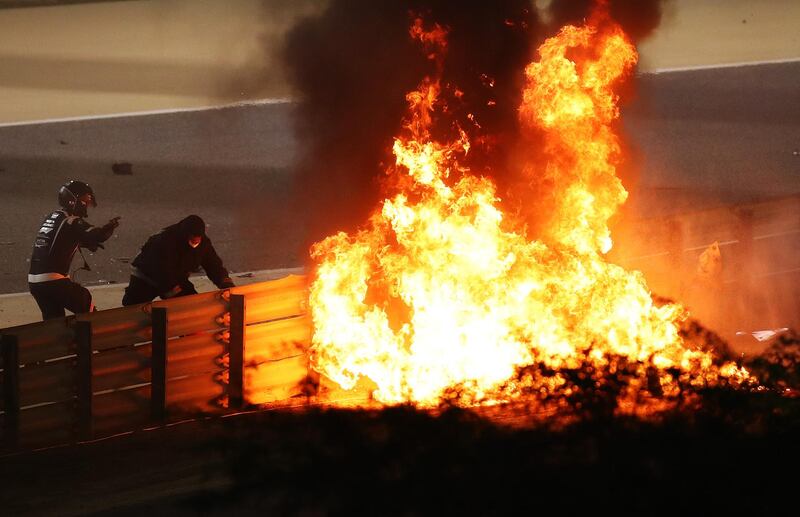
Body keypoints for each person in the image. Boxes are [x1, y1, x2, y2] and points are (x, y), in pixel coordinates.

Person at [28, 180, 121, 320]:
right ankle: (94, 338)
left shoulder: (52, 217)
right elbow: (98, 235)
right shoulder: (71, 220)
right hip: (54, 280)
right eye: (85, 200)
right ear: (73, 200)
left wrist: (83, 242)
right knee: (84, 301)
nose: (86, 204)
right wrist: (109, 228)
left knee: (54, 322)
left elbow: (59, 239)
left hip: (35, 283)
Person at [122, 215, 235, 305]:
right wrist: (172, 292)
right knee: (135, 309)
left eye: (198, 238)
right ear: (185, 234)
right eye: (192, 239)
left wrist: (224, 281)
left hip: (177, 276)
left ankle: (188, 330)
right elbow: (161, 271)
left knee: (193, 306)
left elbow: (212, 264)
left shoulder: (203, 243)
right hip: (147, 277)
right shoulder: (164, 241)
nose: (195, 242)